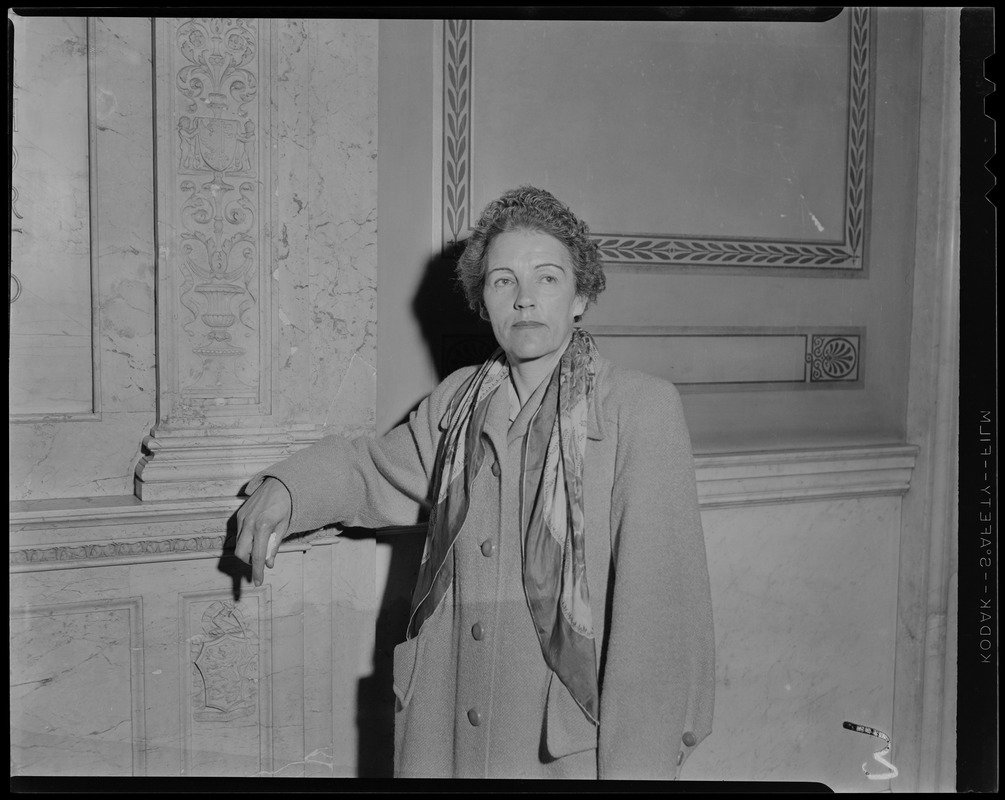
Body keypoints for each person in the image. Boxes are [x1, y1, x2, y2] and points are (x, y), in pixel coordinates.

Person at [234, 186, 714, 780]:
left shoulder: (639, 410)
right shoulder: (460, 399)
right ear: (483, 301)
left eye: (547, 278)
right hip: (448, 735)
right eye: (503, 281)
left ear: (581, 295)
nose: (525, 300)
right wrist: (288, 487)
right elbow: (374, 470)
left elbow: (661, 628)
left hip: (560, 752)